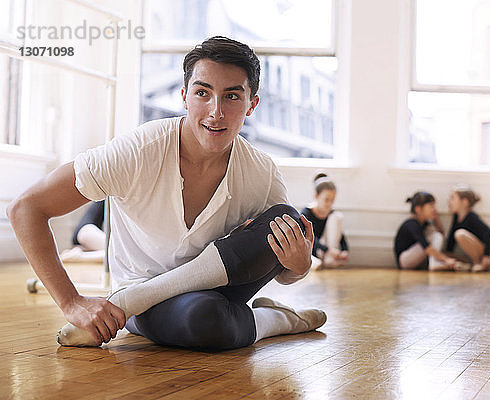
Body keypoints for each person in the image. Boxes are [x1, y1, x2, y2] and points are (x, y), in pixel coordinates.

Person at [7, 36, 326, 349]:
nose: (216, 112)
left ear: (251, 104)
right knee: (205, 317)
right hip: (150, 306)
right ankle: (279, 321)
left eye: (231, 96)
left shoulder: (261, 171)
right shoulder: (137, 151)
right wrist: (71, 301)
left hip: (170, 296)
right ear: (185, 96)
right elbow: (26, 209)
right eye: (203, 93)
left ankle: (128, 302)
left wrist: (298, 267)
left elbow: (283, 270)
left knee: (286, 218)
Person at [394, 191, 458, 271]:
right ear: (418, 209)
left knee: (436, 234)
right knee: (435, 236)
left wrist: (435, 218)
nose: (434, 209)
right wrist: (446, 259)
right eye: (431, 206)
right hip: (404, 261)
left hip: (411, 259)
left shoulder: (424, 223)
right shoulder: (412, 223)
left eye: (434, 206)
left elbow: (441, 234)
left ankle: (435, 263)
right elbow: (427, 247)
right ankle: (434, 264)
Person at [301, 173, 349, 269]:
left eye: (332, 200)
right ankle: (319, 260)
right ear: (316, 196)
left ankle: (329, 259)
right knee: (313, 262)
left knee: (336, 216)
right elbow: (309, 237)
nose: (330, 204)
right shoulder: (307, 213)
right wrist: (327, 250)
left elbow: (341, 235)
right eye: (326, 200)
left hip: (327, 249)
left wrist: (345, 250)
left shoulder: (331, 214)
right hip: (313, 249)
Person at [445, 184, 490, 272]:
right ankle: (469, 264)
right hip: (471, 256)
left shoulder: (471, 217)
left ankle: (478, 263)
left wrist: (486, 256)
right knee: (444, 253)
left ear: (464, 202)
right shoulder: (456, 217)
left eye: (452, 198)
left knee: (460, 234)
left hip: (483, 254)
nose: (449, 201)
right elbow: (451, 240)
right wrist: (448, 254)